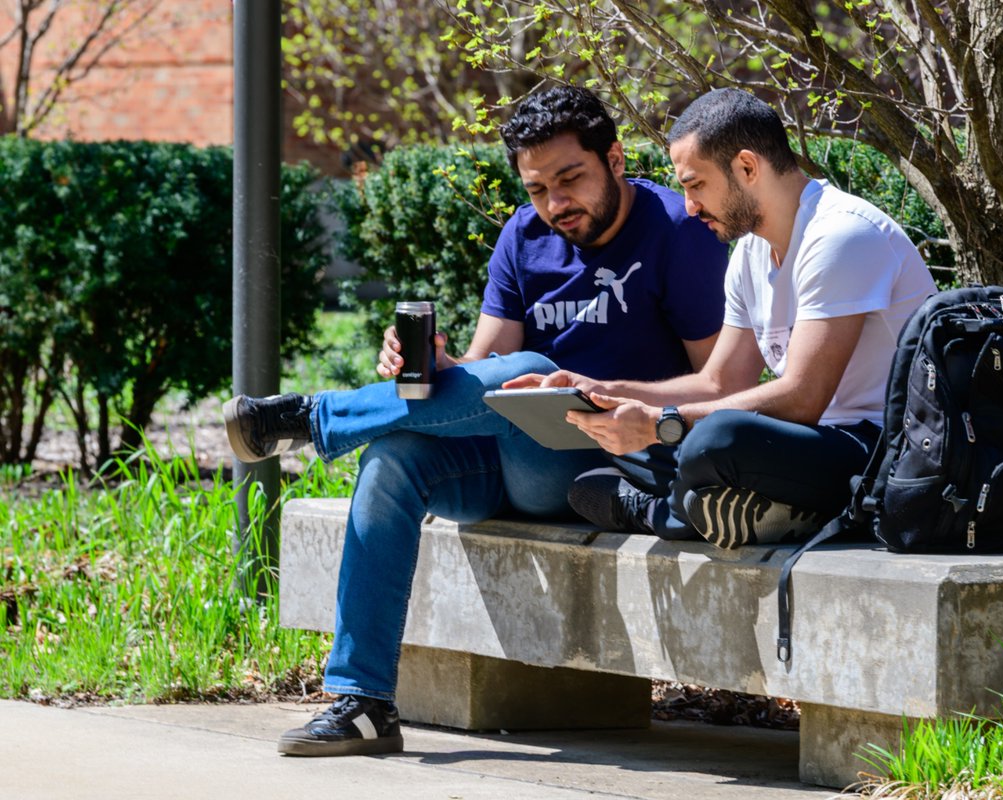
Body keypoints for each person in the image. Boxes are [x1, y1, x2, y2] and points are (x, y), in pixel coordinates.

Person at [221, 85, 729, 756]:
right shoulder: (524, 235)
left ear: (615, 157)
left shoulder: (677, 232)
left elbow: (718, 385)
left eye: (569, 178)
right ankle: (363, 703)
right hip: (509, 458)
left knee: (529, 365)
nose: (554, 203)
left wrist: (597, 392)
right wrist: (430, 364)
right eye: (537, 187)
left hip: (606, 465)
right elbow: (481, 373)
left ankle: (315, 418)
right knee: (390, 462)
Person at [507, 88, 937, 548]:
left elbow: (803, 398)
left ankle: (663, 513)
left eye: (695, 185)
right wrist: (599, 391)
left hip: (879, 452)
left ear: (747, 168)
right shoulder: (750, 251)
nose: (689, 206)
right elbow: (720, 384)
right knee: (655, 442)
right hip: (804, 445)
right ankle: (735, 508)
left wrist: (658, 422)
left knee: (720, 437)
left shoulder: (840, 234)